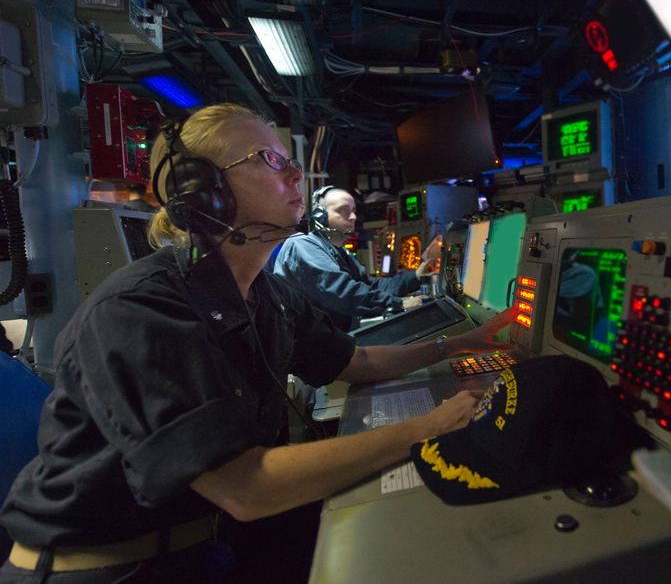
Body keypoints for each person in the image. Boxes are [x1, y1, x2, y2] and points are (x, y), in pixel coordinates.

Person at [0, 103, 514, 583]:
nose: (295, 175)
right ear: (203, 192)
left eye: (291, 163)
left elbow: (355, 360)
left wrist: (454, 346)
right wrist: (427, 428)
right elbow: (246, 487)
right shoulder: (141, 309)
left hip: (214, 537)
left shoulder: (266, 294)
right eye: (271, 160)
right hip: (110, 569)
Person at [273, 185, 439, 331]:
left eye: (353, 211)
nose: (353, 217)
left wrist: (416, 276)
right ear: (320, 216)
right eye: (344, 210)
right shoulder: (303, 245)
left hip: (336, 338)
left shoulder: (339, 252)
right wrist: (398, 304)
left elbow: (372, 286)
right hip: (310, 351)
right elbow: (341, 291)